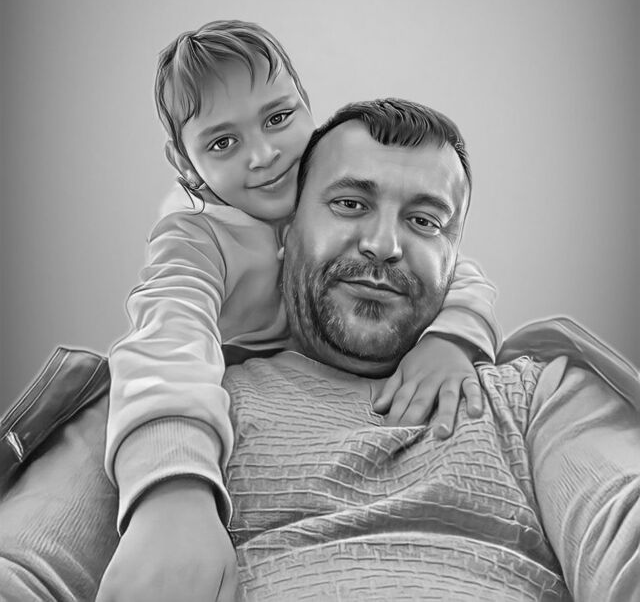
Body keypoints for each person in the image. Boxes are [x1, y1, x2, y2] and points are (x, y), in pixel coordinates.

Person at [1, 99, 638, 602]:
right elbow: (20, 568)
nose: (384, 244)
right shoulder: (154, 415)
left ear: (454, 257)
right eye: (349, 203)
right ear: (285, 232)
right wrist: (170, 492)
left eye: (424, 221)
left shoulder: (539, 396)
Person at [105, 21, 500, 543]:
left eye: (278, 118)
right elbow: (168, 339)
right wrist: (172, 491)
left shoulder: (327, 193)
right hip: (248, 400)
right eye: (223, 142)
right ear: (184, 161)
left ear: (307, 108)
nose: (263, 155)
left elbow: (455, 271)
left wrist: (448, 341)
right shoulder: (195, 239)